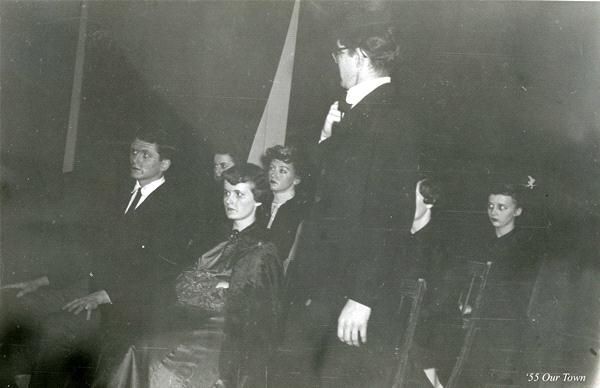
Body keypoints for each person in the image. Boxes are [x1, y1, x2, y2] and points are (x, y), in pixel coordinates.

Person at [2, 128, 198, 387]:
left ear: (164, 164)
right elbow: (89, 253)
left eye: (146, 155)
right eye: (134, 152)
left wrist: (105, 296)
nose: (136, 159)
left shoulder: (173, 210)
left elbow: (158, 271)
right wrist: (43, 280)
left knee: (54, 330)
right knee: (13, 303)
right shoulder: (120, 195)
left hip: (128, 305)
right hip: (90, 287)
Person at [280, 22, 418, 387]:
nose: (335, 63)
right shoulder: (358, 113)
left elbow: (391, 216)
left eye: (339, 54)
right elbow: (333, 194)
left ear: (359, 56)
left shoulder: (390, 119)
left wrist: (362, 297)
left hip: (348, 292)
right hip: (325, 283)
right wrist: (326, 141)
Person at [109, 163, 283, 388]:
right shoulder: (215, 234)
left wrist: (223, 287)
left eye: (239, 194)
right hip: (186, 318)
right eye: (227, 193)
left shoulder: (263, 248)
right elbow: (183, 276)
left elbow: (259, 313)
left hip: (225, 333)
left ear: (258, 199)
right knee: (136, 348)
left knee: (160, 367)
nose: (229, 200)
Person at [458, 182, 544, 386]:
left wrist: (476, 307)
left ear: (518, 211)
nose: (493, 212)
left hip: (501, 333)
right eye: (490, 206)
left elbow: (513, 297)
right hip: (473, 328)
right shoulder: (480, 243)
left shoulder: (523, 251)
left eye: (502, 207)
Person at [261, 144, 308, 265]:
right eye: (272, 168)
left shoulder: (299, 212)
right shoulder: (262, 204)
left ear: (296, 179)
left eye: (282, 170)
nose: (273, 174)